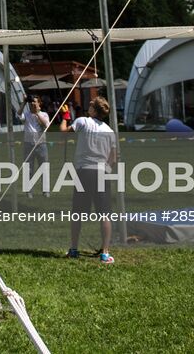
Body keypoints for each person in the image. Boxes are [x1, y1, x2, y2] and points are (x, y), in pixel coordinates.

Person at [60, 95, 117, 264]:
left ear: (94, 110)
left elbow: (63, 131)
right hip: (102, 173)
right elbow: (112, 158)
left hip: (84, 172)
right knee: (104, 214)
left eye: (91, 105)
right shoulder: (110, 131)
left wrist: (64, 118)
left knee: (77, 213)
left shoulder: (83, 121)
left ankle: (74, 249)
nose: (88, 106)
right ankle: (105, 254)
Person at [21, 94, 51, 198]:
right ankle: (29, 191)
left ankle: (46, 191)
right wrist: (24, 102)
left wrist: (37, 113)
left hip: (41, 144)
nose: (32, 104)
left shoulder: (44, 114)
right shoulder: (26, 114)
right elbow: (19, 116)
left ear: (39, 104)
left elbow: (46, 125)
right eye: (31, 102)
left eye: (35, 102)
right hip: (28, 144)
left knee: (44, 167)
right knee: (28, 168)